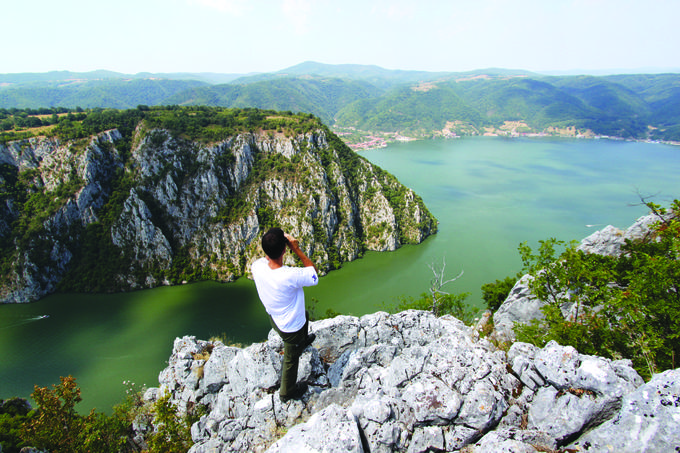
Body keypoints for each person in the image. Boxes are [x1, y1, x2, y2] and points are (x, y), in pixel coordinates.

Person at [251, 227, 319, 402]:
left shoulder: (257, 266)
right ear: (284, 249)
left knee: (304, 315)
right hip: (290, 328)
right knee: (291, 359)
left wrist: (279, 244)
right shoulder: (289, 275)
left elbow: (269, 257)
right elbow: (314, 275)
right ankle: (287, 392)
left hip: (275, 318)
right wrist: (295, 248)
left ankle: (302, 341)